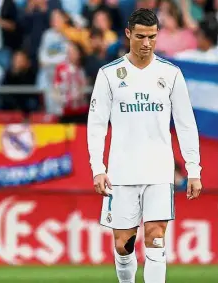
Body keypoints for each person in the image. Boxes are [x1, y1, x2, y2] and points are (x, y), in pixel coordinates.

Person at [88, 9, 202, 283]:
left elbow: (186, 124)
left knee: (156, 239)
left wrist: (193, 169)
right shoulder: (109, 75)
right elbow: (97, 125)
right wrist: (98, 167)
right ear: (128, 34)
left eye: (152, 36)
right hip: (121, 172)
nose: (146, 43)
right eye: (140, 36)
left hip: (159, 171)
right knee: (122, 246)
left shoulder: (170, 73)